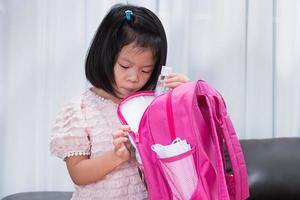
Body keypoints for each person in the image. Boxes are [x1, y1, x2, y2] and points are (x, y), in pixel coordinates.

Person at [49, 4, 189, 200]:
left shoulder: (151, 104)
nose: (134, 78)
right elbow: (78, 173)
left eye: (146, 70)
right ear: (105, 56)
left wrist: (187, 99)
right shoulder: (80, 109)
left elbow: (181, 149)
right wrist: (116, 157)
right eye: (125, 66)